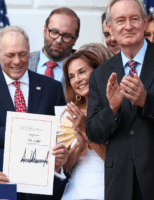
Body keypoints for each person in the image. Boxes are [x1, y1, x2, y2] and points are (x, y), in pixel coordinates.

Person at [0, 25, 68, 199]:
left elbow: (62, 135)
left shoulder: (53, 88)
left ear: (29, 52)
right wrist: (12, 133)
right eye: (10, 55)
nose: (17, 61)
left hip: (42, 188)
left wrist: (61, 154)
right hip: (0, 186)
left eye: (22, 54)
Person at [86, 0, 154, 199]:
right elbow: (94, 133)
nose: (128, 26)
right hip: (120, 184)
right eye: (120, 20)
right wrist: (112, 110)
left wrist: (146, 102)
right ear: (110, 27)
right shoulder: (100, 74)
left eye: (134, 19)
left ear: (145, 21)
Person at [60, 50, 107, 200]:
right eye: (71, 76)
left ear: (97, 71)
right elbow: (64, 169)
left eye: (82, 72)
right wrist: (79, 144)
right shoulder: (67, 114)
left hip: (107, 191)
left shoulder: (114, 109)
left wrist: (85, 132)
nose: (77, 79)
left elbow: (117, 161)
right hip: (73, 193)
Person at [28, 7, 79, 89]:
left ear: (75, 39)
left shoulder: (81, 70)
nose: (59, 40)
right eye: (54, 32)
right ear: (44, 31)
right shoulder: (23, 62)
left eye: (66, 36)